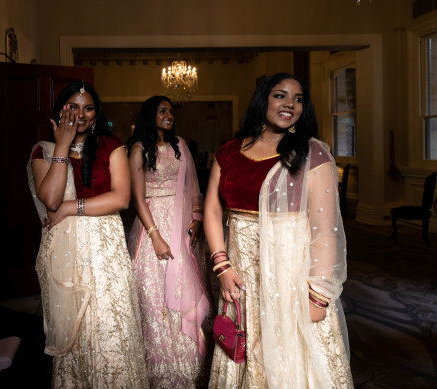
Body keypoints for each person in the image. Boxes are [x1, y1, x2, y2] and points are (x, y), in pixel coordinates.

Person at [204, 73, 353, 388]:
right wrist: (222, 266)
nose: (290, 105)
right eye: (280, 95)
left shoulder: (313, 154)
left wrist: (318, 298)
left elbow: (325, 231)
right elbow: (214, 210)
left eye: (298, 99)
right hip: (241, 276)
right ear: (263, 99)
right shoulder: (229, 152)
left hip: (292, 282)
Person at [26, 80, 148, 388]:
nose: (81, 114)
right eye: (73, 106)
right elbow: (50, 199)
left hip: (105, 248)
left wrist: (69, 208)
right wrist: (63, 146)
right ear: (61, 109)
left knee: (109, 323)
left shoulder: (111, 145)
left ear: (96, 113)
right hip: (67, 251)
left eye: (88, 107)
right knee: (75, 326)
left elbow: (121, 198)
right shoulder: (44, 150)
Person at [126, 96, 210, 388]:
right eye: (163, 111)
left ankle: (183, 365)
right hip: (153, 228)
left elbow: (194, 188)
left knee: (182, 288)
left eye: (171, 111)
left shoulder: (180, 145)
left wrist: (196, 219)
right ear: (151, 115)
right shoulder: (137, 150)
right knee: (155, 295)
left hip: (181, 225)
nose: (169, 115)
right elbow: (137, 198)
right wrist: (155, 236)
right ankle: (158, 369)